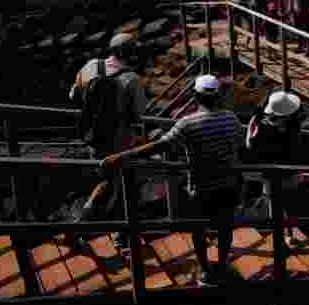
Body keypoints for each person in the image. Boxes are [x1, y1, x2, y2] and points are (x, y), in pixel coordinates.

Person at [101, 74, 245, 286]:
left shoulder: (187, 123)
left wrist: (122, 156)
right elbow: (239, 146)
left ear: (195, 97)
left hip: (201, 188)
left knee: (198, 230)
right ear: (218, 97)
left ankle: (205, 270)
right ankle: (222, 266)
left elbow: (161, 145)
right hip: (228, 185)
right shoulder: (231, 119)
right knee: (225, 228)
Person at [67, 33, 145, 250]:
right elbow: (138, 114)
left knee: (115, 184)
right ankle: (80, 229)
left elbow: (73, 96)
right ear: (127, 52)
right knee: (119, 185)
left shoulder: (91, 66)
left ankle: (121, 235)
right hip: (120, 145)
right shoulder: (131, 79)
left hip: (93, 138)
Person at [245, 90, 304, 245]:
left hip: (270, 172)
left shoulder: (262, 126)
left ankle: (280, 238)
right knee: (290, 204)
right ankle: (288, 234)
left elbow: (252, 146)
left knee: (275, 204)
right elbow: (296, 146)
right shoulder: (294, 125)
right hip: (290, 171)